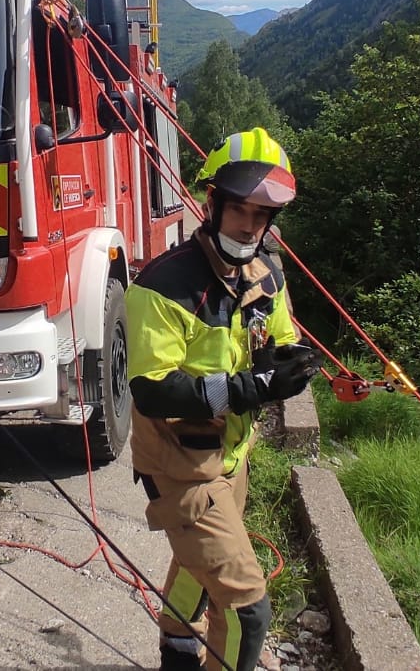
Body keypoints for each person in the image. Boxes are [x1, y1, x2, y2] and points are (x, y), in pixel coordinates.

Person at [126, 127, 323, 671]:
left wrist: (294, 364)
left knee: (197, 564)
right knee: (247, 607)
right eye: (240, 209)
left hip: (233, 455)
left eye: (262, 216)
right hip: (180, 462)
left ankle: (178, 649)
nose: (250, 225)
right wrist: (253, 387)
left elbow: (279, 342)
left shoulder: (266, 275)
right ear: (211, 202)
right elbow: (151, 389)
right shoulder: (163, 286)